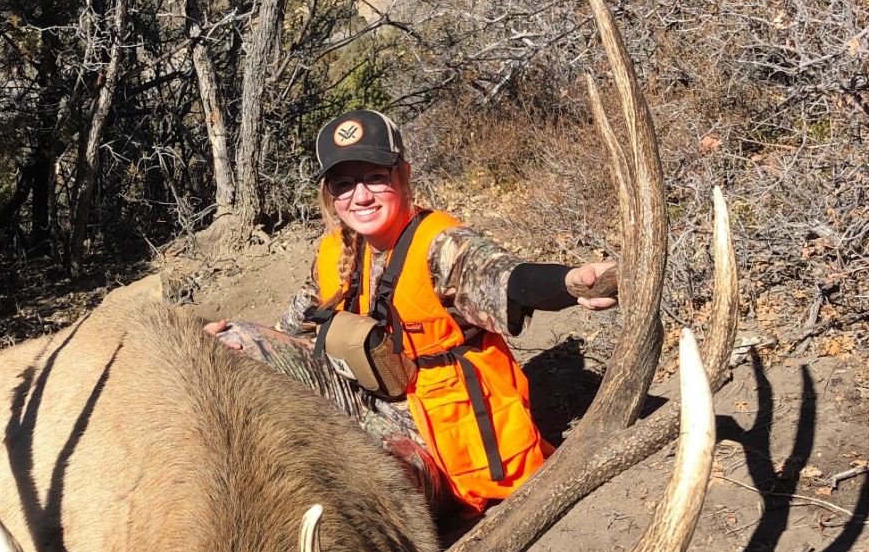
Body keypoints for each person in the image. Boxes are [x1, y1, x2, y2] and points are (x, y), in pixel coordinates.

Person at [206, 108, 616, 517]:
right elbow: (288, 331)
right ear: (330, 194)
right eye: (344, 185)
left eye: (376, 178)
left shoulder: (442, 245)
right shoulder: (334, 252)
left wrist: (569, 283)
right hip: (363, 404)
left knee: (374, 486)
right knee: (233, 342)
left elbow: (507, 279)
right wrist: (215, 346)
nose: (360, 196)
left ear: (403, 175)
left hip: (434, 441)